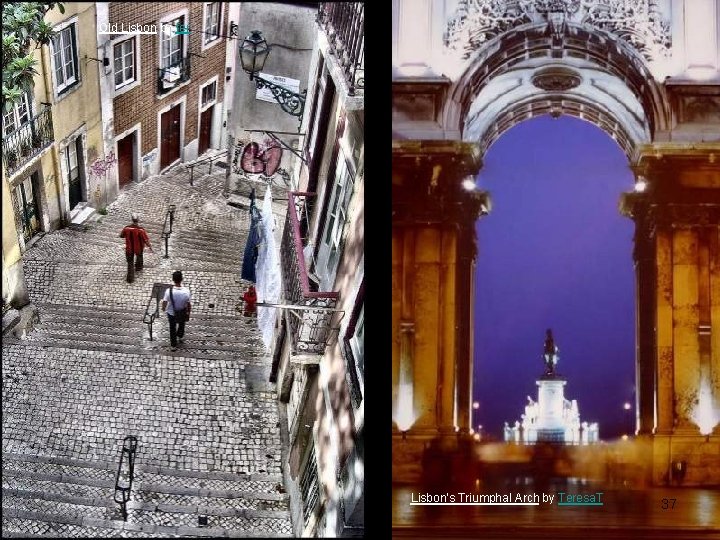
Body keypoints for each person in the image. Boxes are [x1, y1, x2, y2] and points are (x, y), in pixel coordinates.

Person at [161, 270, 191, 351]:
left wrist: (163, 308)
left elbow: (165, 302)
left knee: (172, 328)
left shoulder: (169, 291)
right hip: (182, 311)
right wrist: (188, 312)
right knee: (182, 324)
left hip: (171, 313)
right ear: (182, 279)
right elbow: (188, 304)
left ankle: (173, 345)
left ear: (173, 279)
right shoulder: (186, 291)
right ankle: (180, 336)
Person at [120, 214, 153, 283]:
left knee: (130, 263)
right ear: (138, 220)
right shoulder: (141, 230)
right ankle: (138, 268)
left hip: (129, 248)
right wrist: (150, 247)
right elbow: (146, 240)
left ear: (132, 220)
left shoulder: (126, 228)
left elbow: (121, 235)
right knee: (139, 257)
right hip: (139, 248)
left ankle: (130, 279)